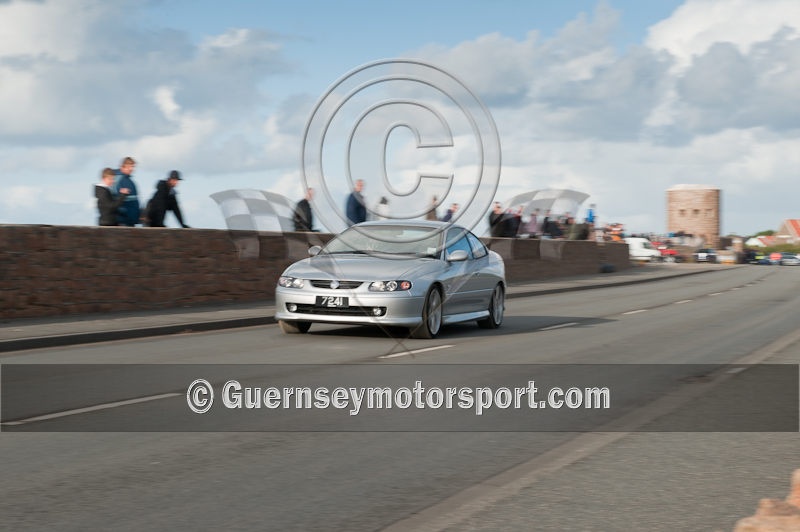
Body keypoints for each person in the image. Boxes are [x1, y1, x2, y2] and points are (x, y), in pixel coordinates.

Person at [113, 156, 140, 226]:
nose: (132, 169)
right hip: (122, 221)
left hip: (131, 220)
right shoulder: (117, 179)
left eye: (133, 167)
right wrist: (121, 214)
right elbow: (115, 199)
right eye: (129, 167)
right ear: (123, 166)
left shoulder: (129, 180)